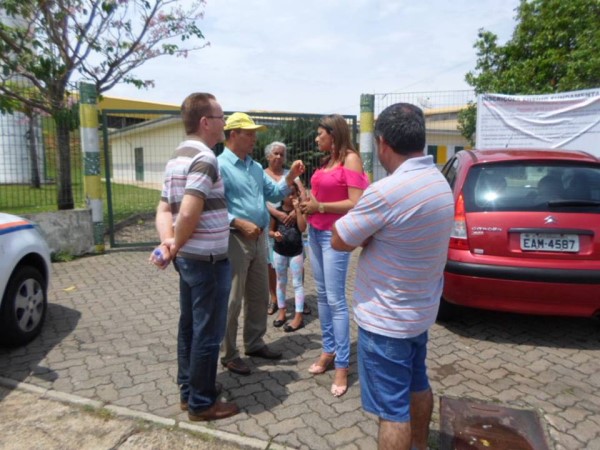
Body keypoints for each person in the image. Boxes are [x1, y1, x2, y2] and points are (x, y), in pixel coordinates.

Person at [331, 103, 454, 450]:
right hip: (419, 315)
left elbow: (341, 239)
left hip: (386, 320)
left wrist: (368, 234)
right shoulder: (439, 182)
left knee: (392, 412)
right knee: (418, 384)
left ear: (382, 142)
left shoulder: (386, 192)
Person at [151, 92, 239, 422]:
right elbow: (188, 211)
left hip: (188, 258)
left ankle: (189, 392)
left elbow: (163, 209)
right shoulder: (205, 159)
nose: (224, 122)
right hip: (207, 260)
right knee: (208, 333)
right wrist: (173, 243)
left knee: (189, 326)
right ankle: (202, 403)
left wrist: (169, 244)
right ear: (205, 122)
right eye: (220, 117)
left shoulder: (176, 158)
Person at [218, 113, 305, 376]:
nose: (255, 138)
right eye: (250, 133)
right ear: (234, 134)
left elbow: (275, 193)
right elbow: (210, 207)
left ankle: (254, 343)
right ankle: (228, 354)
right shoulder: (218, 166)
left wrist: (290, 178)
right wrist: (236, 222)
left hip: (258, 239)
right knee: (232, 300)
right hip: (234, 239)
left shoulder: (254, 166)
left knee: (256, 297)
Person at [299, 114, 369, 398]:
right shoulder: (327, 161)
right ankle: (328, 350)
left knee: (336, 300)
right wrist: (306, 202)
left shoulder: (351, 159)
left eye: (320, 134)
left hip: (334, 236)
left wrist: (321, 207)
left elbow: (356, 201)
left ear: (334, 133)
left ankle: (342, 365)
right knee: (325, 296)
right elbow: (318, 201)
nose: (317, 139)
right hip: (314, 234)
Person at [263, 141, 308, 316]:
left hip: (293, 224)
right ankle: (274, 299)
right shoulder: (261, 174)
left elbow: (303, 196)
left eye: (282, 154)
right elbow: (259, 199)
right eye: (276, 153)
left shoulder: (292, 175)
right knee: (271, 264)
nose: (279, 157)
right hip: (271, 224)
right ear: (268, 156)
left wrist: (296, 212)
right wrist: (277, 213)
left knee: (298, 263)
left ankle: (300, 302)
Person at [269, 183, 307, 332]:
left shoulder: (300, 210)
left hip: (296, 252)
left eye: (294, 194)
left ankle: (298, 315)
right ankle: (282, 311)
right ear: (282, 196)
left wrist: (297, 210)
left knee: (297, 283)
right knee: (281, 282)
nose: (291, 197)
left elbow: (303, 228)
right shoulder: (277, 212)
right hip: (279, 252)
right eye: (288, 194)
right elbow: (270, 231)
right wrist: (275, 235)